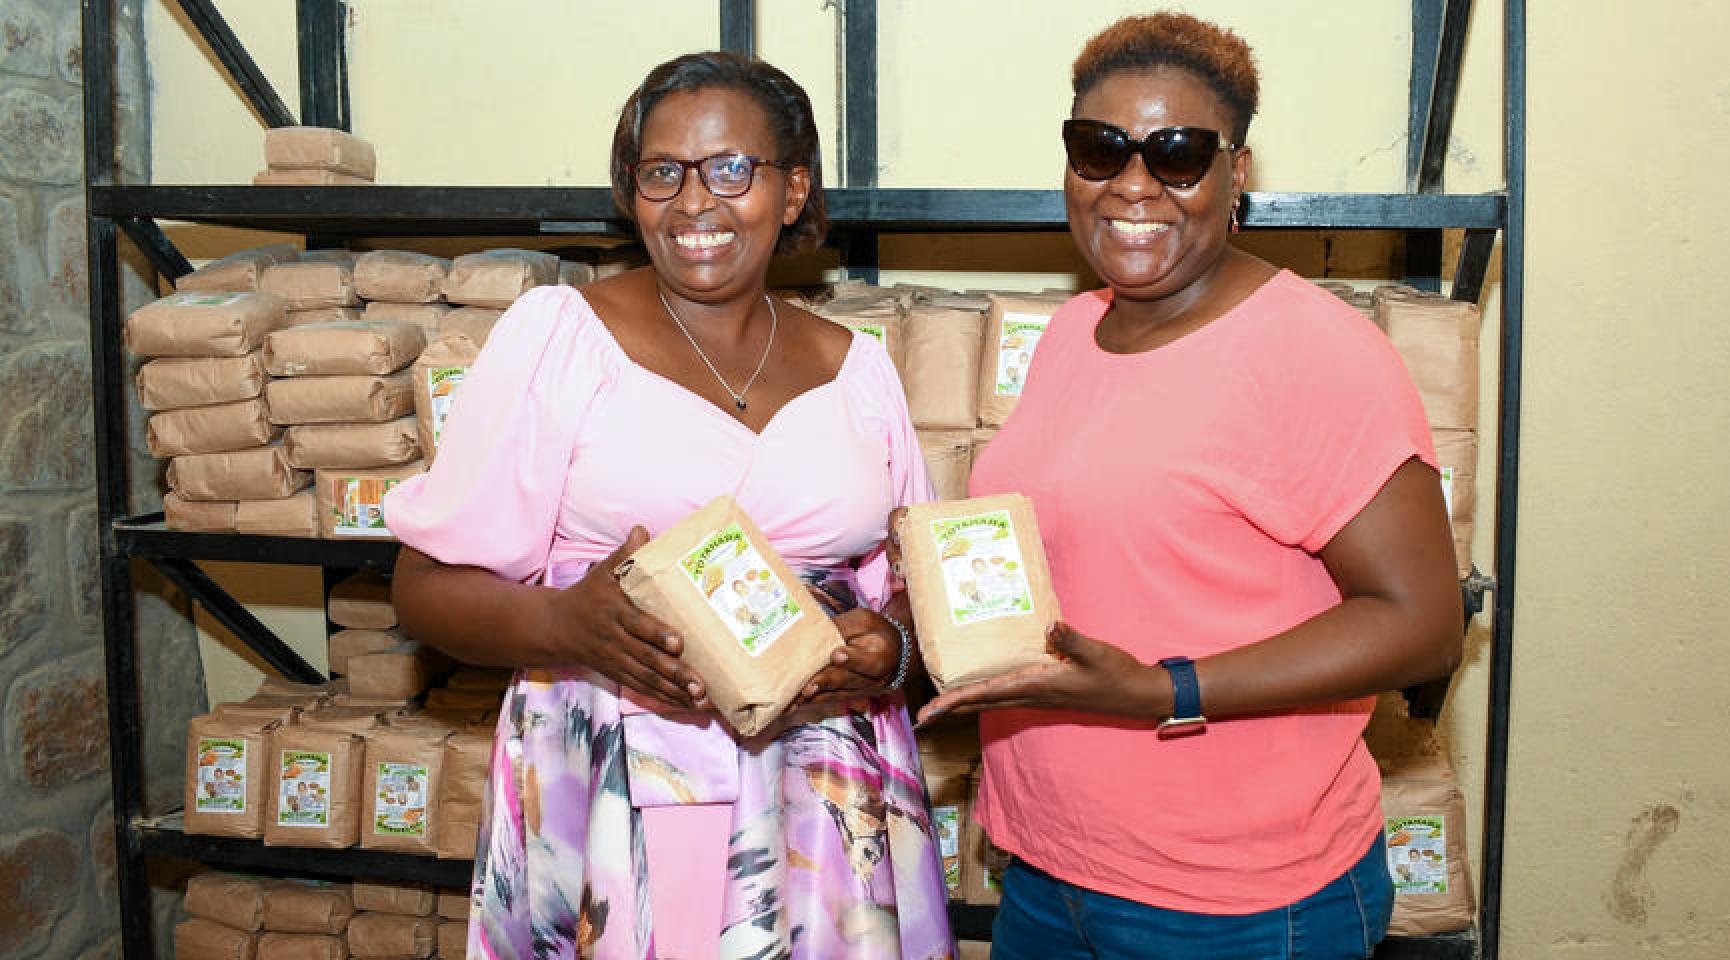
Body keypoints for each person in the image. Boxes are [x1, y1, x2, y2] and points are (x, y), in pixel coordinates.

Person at [919, 13, 1464, 960]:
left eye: (1177, 155)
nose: (1133, 185)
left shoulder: (1314, 351)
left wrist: (1166, 691)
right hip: (1050, 872)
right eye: (1099, 150)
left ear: (1237, 173)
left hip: (1236, 903)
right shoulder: (1072, 334)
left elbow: (1422, 622)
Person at [384, 51, 951, 960]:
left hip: (826, 793)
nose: (695, 202)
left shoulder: (860, 368)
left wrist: (893, 651)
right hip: (620, 781)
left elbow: (912, 597)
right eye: (662, 173)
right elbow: (421, 588)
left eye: (732, 168)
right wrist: (569, 624)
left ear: (794, 188)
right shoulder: (561, 338)